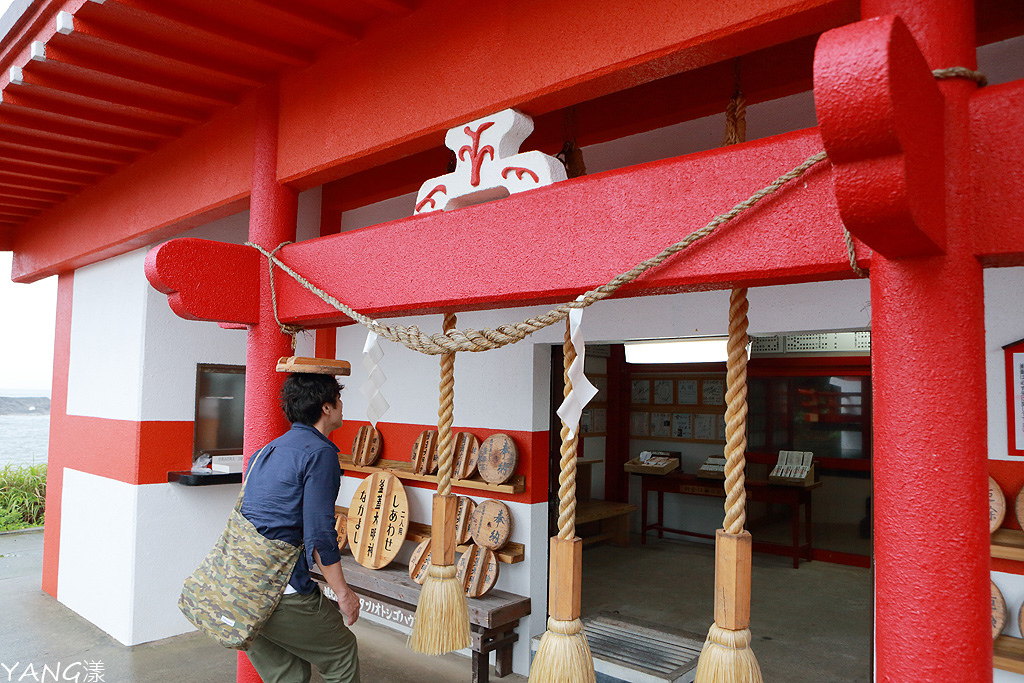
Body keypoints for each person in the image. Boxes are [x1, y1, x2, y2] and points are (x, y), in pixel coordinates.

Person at [240, 372, 361, 683]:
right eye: (338, 400)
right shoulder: (320, 454)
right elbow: (319, 535)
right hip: (280, 589)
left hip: (240, 588)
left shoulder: (266, 451)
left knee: (288, 674)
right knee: (342, 652)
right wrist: (343, 593)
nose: (342, 406)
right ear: (326, 408)